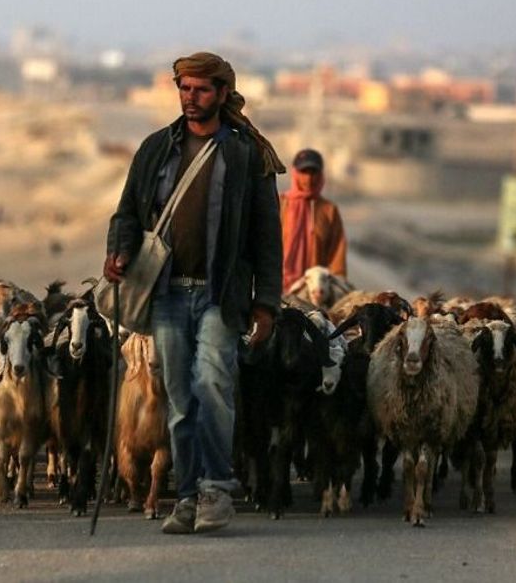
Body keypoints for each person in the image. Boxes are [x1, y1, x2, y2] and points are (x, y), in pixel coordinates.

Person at [104, 52, 283, 534]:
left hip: (219, 296)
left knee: (212, 385)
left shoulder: (247, 155)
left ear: (223, 93)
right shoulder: (156, 148)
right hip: (166, 294)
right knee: (179, 398)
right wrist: (119, 252)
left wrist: (266, 303)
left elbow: (268, 236)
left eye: (201, 89)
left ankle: (216, 490)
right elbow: (126, 214)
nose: (191, 97)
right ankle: (185, 496)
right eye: (184, 88)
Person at [280, 148, 347, 292]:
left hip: (316, 293)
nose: (309, 179)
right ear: (295, 173)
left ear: (321, 175)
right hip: (278, 289)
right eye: (304, 172)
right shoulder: (280, 204)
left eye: (313, 173)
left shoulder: (329, 211)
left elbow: (337, 258)